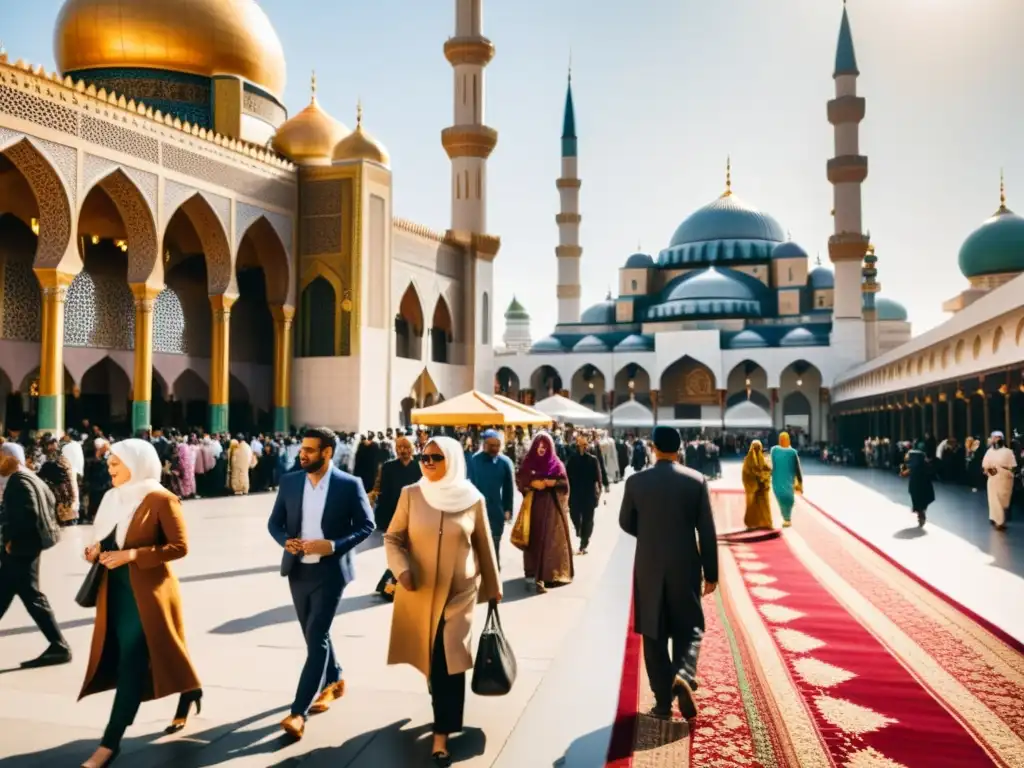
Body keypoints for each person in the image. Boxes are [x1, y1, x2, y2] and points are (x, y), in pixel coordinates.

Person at [78, 439, 202, 768]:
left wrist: (132, 555)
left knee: (131, 663)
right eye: (110, 463)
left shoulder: (161, 498)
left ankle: (110, 743)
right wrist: (93, 552)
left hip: (148, 592)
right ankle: (190, 689)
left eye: (116, 463)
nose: (110, 468)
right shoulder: (112, 498)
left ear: (138, 463)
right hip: (114, 592)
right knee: (151, 651)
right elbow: (103, 540)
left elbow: (179, 547)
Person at [384, 436, 501, 767]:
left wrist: (493, 586)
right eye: (425, 456)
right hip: (419, 592)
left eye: (436, 457)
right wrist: (401, 569)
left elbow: (483, 545)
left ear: (452, 459)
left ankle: (442, 733)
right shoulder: (411, 495)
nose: (428, 462)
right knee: (432, 661)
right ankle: (440, 703)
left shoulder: (472, 499)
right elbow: (393, 537)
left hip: (459, 594)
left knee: (451, 662)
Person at [266, 427, 375, 740]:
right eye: (302, 449)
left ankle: (298, 713)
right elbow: (274, 523)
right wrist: (285, 541)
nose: (303, 454)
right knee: (315, 635)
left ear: (327, 453)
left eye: (310, 450)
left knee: (316, 635)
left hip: (330, 573)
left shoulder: (348, 485)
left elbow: (368, 525)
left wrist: (333, 545)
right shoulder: (289, 482)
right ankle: (335, 678)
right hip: (298, 571)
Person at [618, 425, 718, 721]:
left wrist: (649, 533)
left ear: (653, 447)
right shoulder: (696, 481)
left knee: (653, 632)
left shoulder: (636, 482)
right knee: (691, 627)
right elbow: (707, 532)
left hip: (649, 565)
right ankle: (684, 674)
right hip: (685, 564)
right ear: (679, 448)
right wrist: (711, 573)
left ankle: (663, 704)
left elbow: (626, 522)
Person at [0, 442, 71, 668]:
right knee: (6, 592)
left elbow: (28, 513)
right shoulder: (30, 477)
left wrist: (12, 539)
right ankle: (58, 646)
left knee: (32, 596)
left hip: (21, 549)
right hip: (27, 547)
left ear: (10, 458)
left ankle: (59, 646)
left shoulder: (19, 482)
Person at [516, 432, 574, 593]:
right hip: (533, 509)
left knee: (549, 542)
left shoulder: (557, 464)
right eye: (539, 446)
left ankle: (547, 576)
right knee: (533, 539)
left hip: (552, 511)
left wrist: (552, 483)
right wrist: (532, 484)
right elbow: (521, 479)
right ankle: (532, 576)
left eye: (545, 446)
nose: (541, 449)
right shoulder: (528, 463)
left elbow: (565, 484)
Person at [372, 435, 423, 599]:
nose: (403, 451)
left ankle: (395, 584)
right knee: (396, 551)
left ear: (413, 448)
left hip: (416, 515)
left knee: (411, 551)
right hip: (393, 515)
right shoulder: (388, 467)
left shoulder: (420, 467)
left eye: (407, 447)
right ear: (395, 449)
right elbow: (382, 491)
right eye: (400, 447)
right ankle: (391, 586)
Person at [466, 429, 516, 568]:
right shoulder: (474, 461)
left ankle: (494, 578)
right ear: (484, 444)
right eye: (491, 445)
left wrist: (508, 509)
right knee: (477, 546)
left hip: (496, 511)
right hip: (476, 509)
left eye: (497, 445)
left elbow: (508, 489)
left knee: (494, 545)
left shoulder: (504, 463)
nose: (495, 448)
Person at [565, 433, 601, 555]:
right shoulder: (571, 460)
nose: (583, 447)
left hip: (589, 495)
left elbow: (598, 478)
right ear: (577, 445)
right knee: (575, 516)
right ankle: (579, 531)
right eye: (581, 445)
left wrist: (599, 491)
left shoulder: (593, 460)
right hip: (575, 494)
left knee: (588, 519)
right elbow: (566, 477)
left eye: (585, 445)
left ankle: (584, 543)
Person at [982, 431, 1017, 531]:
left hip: (1006, 480)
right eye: (994, 438)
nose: (996, 440)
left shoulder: (1008, 452)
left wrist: (1004, 472)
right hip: (993, 480)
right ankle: (999, 521)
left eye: (998, 438)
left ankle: (999, 519)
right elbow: (985, 466)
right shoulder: (989, 452)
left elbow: (1013, 467)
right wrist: (993, 472)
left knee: (1003, 501)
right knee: (994, 500)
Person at [769, 432, 803, 528]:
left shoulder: (792, 452)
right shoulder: (774, 450)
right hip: (777, 479)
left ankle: (787, 518)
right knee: (781, 497)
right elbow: (772, 464)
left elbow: (797, 467)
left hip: (788, 480)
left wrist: (799, 481)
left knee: (789, 499)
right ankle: (786, 518)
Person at [900, 441, 934, 527]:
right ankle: (921, 513)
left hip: (915, 484)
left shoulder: (913, 459)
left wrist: (903, 472)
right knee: (921, 502)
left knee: (918, 501)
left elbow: (908, 469)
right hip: (923, 484)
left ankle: (920, 514)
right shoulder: (922, 459)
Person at [741, 440, 773, 530]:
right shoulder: (751, 460)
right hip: (755, 487)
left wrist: (762, 477)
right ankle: (756, 523)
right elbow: (747, 474)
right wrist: (761, 477)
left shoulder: (749, 460)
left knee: (758, 505)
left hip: (759, 487)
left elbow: (767, 470)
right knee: (755, 506)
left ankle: (759, 523)